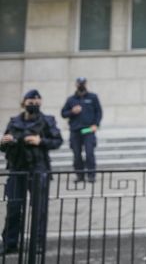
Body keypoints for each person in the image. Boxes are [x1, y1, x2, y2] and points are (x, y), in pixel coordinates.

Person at [0, 89, 63, 257]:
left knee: (39, 209)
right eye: (30, 101)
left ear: (41, 102)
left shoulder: (47, 120)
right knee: (13, 207)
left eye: (36, 101)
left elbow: (57, 141)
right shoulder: (14, 122)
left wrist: (40, 141)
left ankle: (38, 244)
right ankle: (9, 243)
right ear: (24, 102)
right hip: (17, 169)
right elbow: (3, 146)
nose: (34, 103)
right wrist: (3, 141)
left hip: (38, 170)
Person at [61, 76, 103, 183]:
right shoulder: (71, 100)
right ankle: (80, 175)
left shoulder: (93, 97)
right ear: (76, 84)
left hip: (88, 130)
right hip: (75, 130)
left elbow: (99, 112)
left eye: (83, 83)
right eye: (79, 83)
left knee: (89, 153)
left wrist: (96, 124)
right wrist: (72, 111)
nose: (81, 85)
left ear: (86, 84)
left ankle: (91, 175)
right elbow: (63, 113)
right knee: (76, 154)